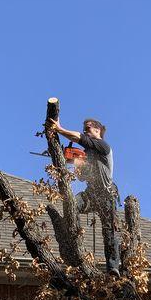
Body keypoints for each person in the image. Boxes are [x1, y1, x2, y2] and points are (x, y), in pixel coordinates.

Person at [48, 117, 120, 277]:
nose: (86, 131)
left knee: (110, 232)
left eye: (88, 128)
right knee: (71, 204)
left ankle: (113, 268)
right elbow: (81, 177)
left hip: (107, 195)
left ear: (97, 130)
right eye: (85, 129)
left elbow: (80, 138)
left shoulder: (103, 147)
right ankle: (73, 242)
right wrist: (77, 164)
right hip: (91, 194)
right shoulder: (87, 153)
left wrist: (60, 129)